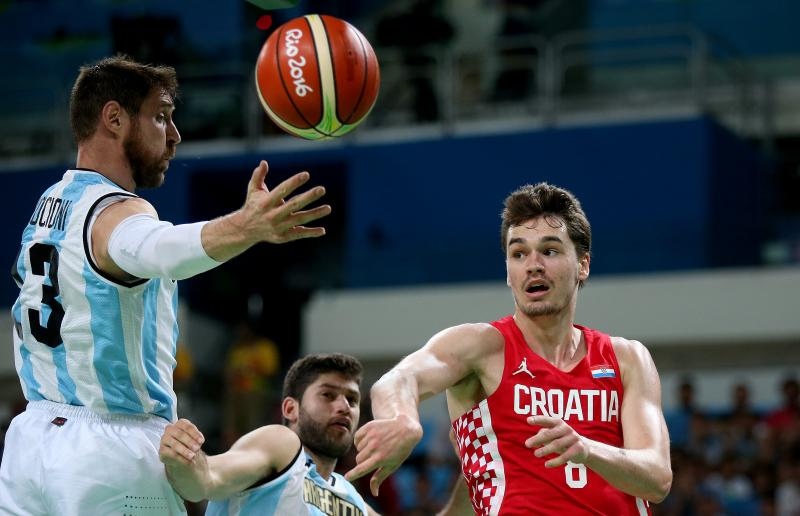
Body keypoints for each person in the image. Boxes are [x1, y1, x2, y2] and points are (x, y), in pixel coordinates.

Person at [0, 55, 330, 515]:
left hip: (29, 446)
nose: (175, 136)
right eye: (161, 116)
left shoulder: (49, 206)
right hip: (110, 451)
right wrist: (246, 227)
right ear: (114, 119)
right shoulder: (119, 212)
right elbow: (159, 248)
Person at [346, 183, 673, 514]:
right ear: (508, 272)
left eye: (549, 251)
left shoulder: (626, 358)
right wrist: (403, 419)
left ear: (583, 265)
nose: (532, 265)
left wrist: (587, 449)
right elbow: (400, 378)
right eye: (518, 254)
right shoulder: (481, 346)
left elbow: (657, 478)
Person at [158, 353, 381, 516]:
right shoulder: (281, 446)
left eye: (352, 400)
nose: (344, 406)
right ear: (290, 409)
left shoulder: (353, 500)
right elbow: (205, 480)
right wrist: (186, 458)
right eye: (328, 395)